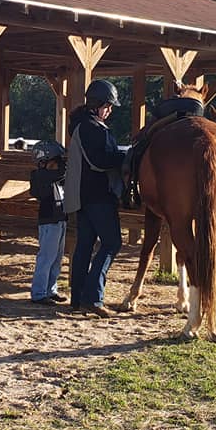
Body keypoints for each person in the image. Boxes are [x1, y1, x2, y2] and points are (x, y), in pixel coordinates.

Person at [64, 79, 127, 318]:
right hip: (98, 195)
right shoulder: (91, 127)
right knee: (112, 243)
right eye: (108, 106)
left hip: (84, 196)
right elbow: (99, 161)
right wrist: (123, 158)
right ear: (98, 104)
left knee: (84, 247)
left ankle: (78, 298)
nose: (110, 111)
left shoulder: (84, 124)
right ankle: (93, 297)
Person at [28, 140, 68, 305]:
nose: (59, 165)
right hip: (49, 220)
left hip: (59, 219)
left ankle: (51, 290)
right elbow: (41, 189)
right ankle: (39, 293)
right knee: (46, 257)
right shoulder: (40, 177)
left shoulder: (54, 175)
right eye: (55, 162)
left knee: (56, 258)